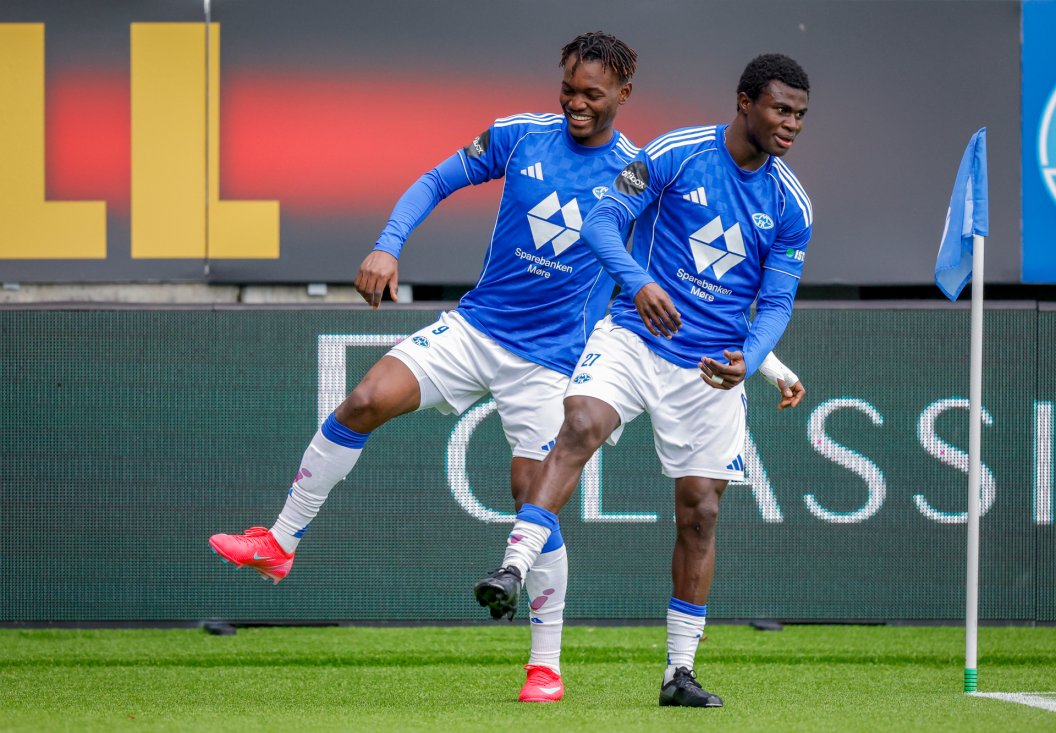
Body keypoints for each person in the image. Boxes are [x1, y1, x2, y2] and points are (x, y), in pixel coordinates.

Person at [209, 33, 804, 703]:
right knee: (365, 398)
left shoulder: (642, 169)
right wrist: (387, 244)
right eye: (568, 90)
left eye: (592, 95)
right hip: (476, 327)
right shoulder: (520, 137)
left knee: (536, 497)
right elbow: (437, 179)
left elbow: (694, 280)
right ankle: (280, 541)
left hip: (551, 362)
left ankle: (544, 666)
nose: (576, 104)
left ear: (623, 96)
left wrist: (765, 362)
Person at [473, 53, 813, 709]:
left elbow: (775, 302)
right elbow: (601, 221)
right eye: (780, 109)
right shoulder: (677, 153)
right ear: (744, 101)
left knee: (702, 512)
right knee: (578, 424)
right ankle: (514, 564)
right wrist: (640, 282)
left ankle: (678, 672)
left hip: (710, 368)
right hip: (634, 333)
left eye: (800, 114)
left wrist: (752, 353)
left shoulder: (791, 203)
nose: (791, 123)